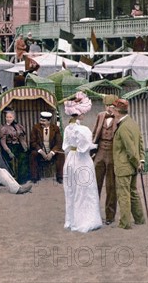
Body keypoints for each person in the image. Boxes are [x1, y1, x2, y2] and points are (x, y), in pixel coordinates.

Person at [62, 91, 102, 233]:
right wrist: (96, 146)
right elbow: (85, 147)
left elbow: (66, 146)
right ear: (79, 114)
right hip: (81, 160)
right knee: (85, 189)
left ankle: (72, 220)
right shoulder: (83, 129)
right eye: (83, 112)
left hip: (71, 159)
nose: (84, 115)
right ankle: (85, 221)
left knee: (72, 189)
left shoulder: (67, 128)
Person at [111, 98, 146, 229]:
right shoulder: (132, 123)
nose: (112, 111)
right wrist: (141, 161)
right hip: (132, 166)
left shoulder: (123, 127)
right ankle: (140, 219)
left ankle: (125, 223)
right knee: (133, 192)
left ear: (117, 111)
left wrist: (137, 162)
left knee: (124, 194)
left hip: (124, 166)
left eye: (113, 109)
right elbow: (140, 143)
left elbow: (131, 149)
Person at [92, 94, 119, 225]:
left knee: (111, 186)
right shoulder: (100, 116)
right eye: (107, 106)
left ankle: (110, 216)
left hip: (113, 154)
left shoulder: (120, 119)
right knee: (94, 185)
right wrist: (93, 151)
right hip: (100, 152)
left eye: (112, 106)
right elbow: (94, 133)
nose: (109, 109)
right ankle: (93, 214)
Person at [30, 111, 65, 184]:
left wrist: (52, 153)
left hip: (52, 151)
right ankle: (34, 177)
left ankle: (60, 177)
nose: (41, 122)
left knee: (61, 154)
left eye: (43, 121)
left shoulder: (55, 128)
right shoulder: (36, 127)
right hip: (40, 151)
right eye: (40, 120)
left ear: (49, 121)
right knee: (33, 154)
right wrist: (41, 151)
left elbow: (59, 143)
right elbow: (33, 142)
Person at [0, 109, 30, 184]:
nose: (8, 119)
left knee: (23, 157)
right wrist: (9, 152)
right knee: (9, 161)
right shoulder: (3, 128)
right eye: (7, 117)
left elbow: (21, 138)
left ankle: (22, 179)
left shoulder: (18, 126)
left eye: (10, 117)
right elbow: (3, 142)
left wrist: (25, 147)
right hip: (8, 146)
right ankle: (10, 179)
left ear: (13, 118)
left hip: (18, 146)